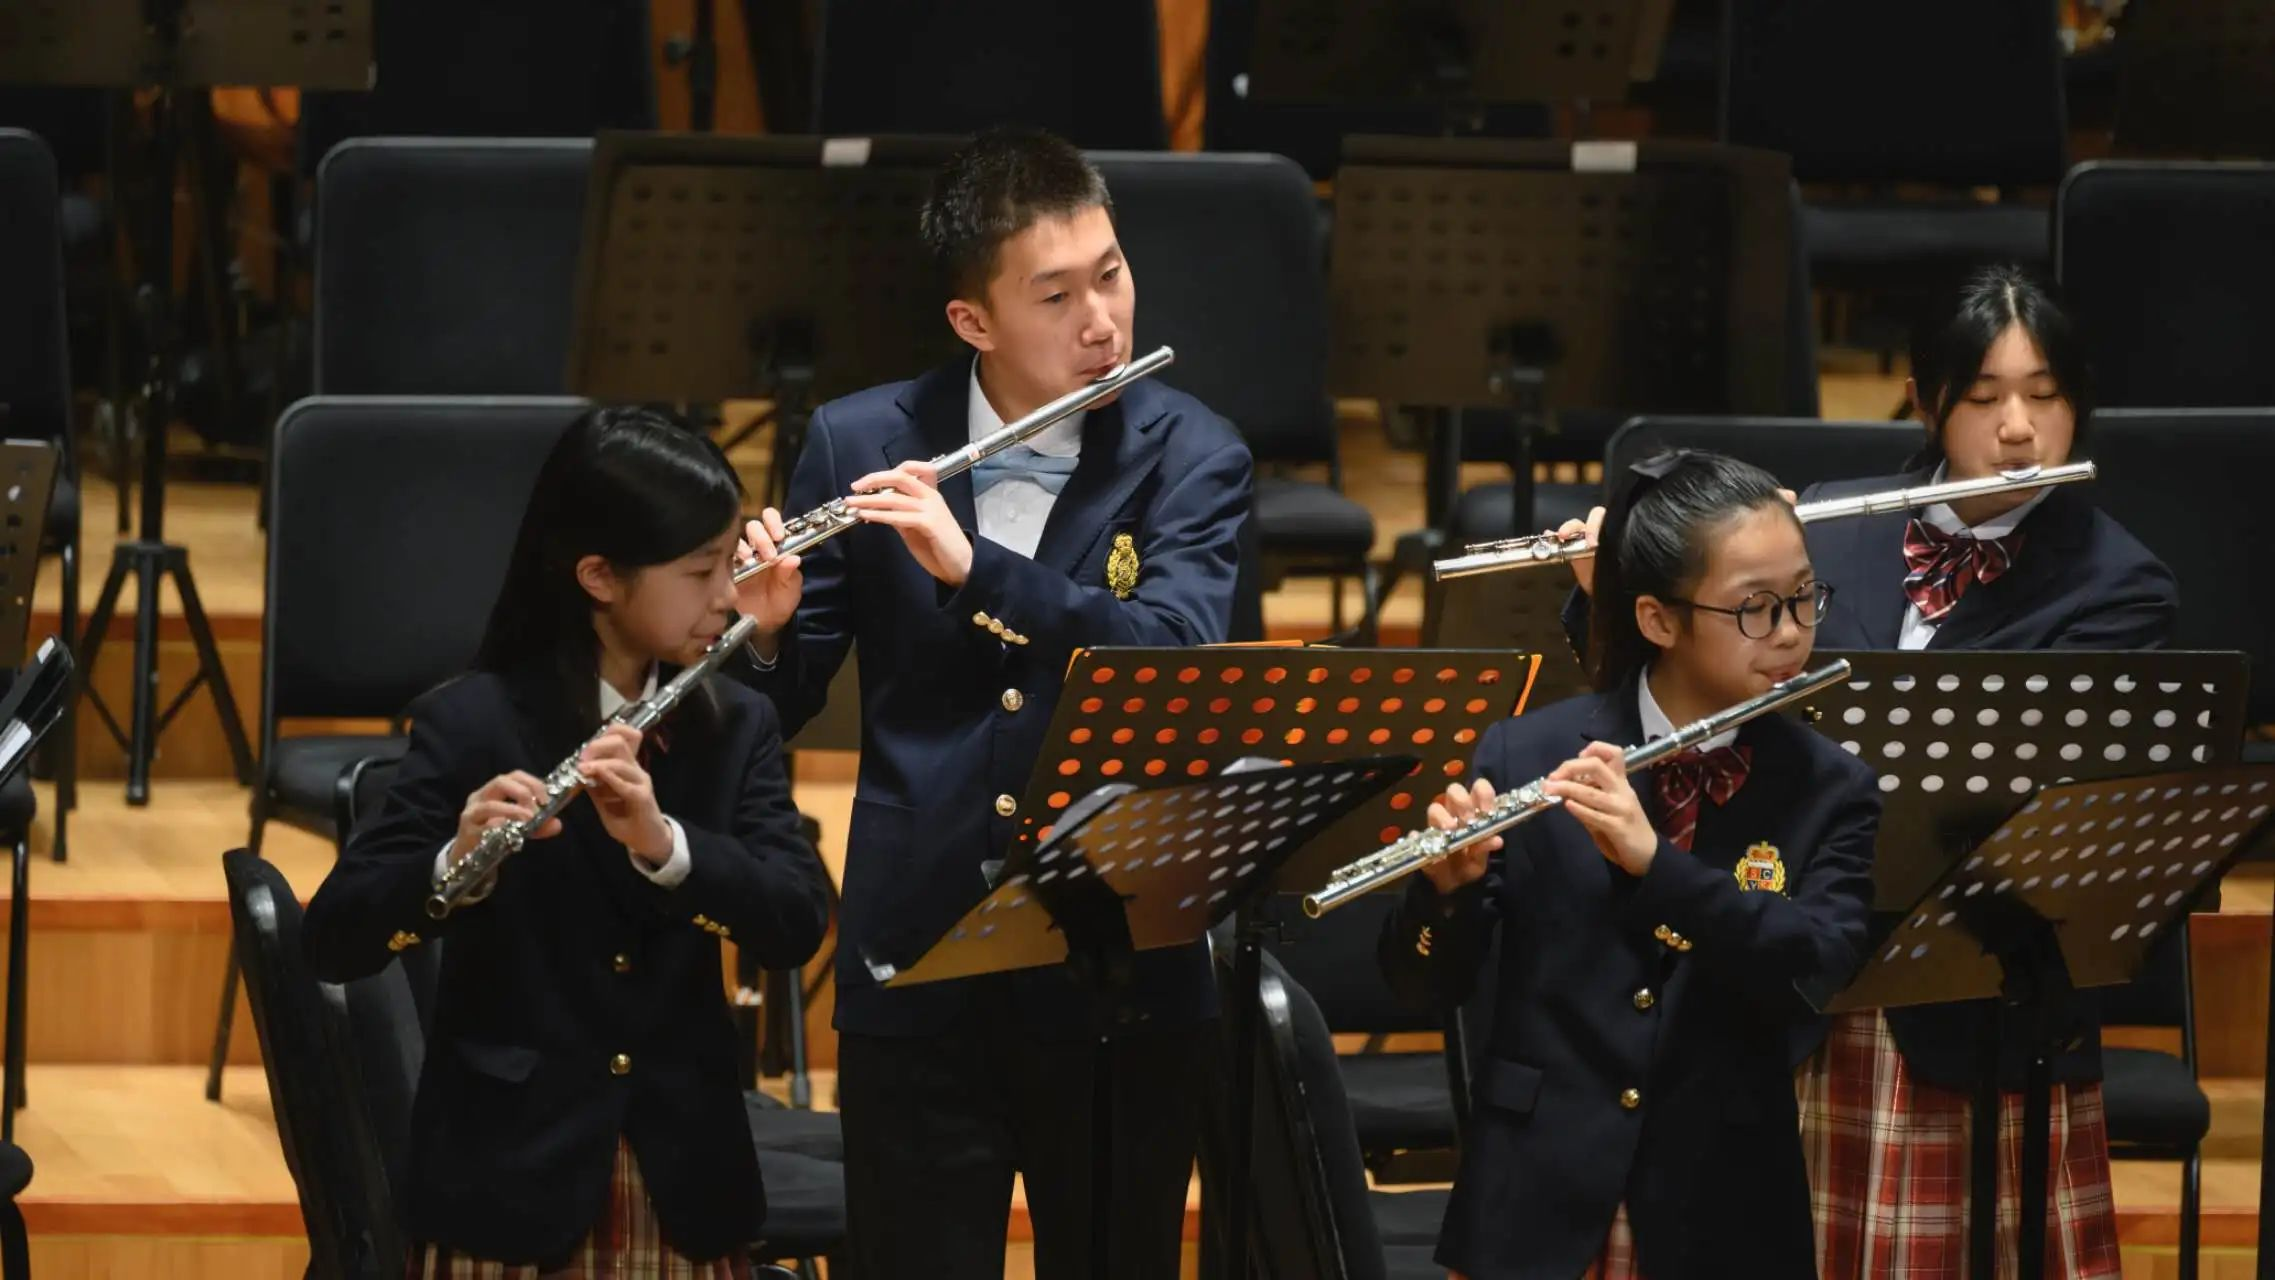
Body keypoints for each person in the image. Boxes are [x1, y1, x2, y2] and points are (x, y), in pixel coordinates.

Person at [1557, 267, 2171, 1277]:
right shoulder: (1823, 526)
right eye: (1983, 397)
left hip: (1960, 989)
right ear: (1923, 399)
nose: (2019, 429)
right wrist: (1617, 598)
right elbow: (1698, 714)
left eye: (2045, 394)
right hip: (1785, 959)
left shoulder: (2118, 586)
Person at [732, 127, 1252, 1278]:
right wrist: (764, 634)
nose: (1101, 320)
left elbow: (1172, 657)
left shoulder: (1194, 453)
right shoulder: (859, 439)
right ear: (973, 320)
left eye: (1110, 272)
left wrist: (977, 570)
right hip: (920, 955)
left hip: (1119, 965)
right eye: (1055, 295)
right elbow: (780, 701)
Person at [303, 406, 832, 1276]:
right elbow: (335, 937)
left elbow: (796, 923)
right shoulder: (472, 722)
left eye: (728, 563)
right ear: (599, 577)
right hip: (508, 1178)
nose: (726, 596)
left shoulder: (734, 725)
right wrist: (454, 865)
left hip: (683, 1173)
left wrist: (667, 846)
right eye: (700, 570)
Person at [1382, 450, 1879, 1279]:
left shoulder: (1828, 785)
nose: (1791, 630)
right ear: (1657, 620)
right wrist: (1444, 896)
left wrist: (1657, 867)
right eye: (1754, 608)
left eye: (1802, 596)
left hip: (1723, 1210)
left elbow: (1817, 966)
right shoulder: (1527, 751)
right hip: (1533, 1202)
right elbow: (1422, 986)